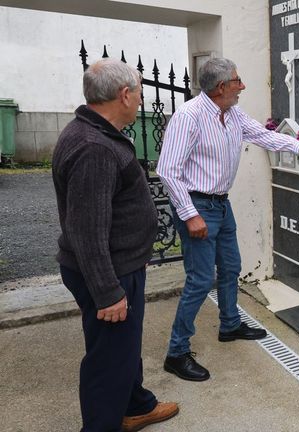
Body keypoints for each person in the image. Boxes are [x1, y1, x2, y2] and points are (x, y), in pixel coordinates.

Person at [157, 58, 299, 381]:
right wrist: (190, 214)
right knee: (199, 281)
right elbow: (168, 171)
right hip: (197, 206)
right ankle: (177, 352)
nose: (243, 85)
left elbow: (264, 137)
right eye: (237, 80)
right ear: (221, 87)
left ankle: (229, 324)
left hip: (221, 205)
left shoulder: (232, 114)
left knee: (232, 267)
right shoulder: (189, 117)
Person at [52, 58, 178, 431]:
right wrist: (108, 292)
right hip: (107, 274)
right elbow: (86, 231)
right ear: (124, 95)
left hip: (120, 266)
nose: (140, 99)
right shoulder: (94, 147)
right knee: (108, 361)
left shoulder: (94, 132)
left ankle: (136, 405)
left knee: (122, 348)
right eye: (139, 92)